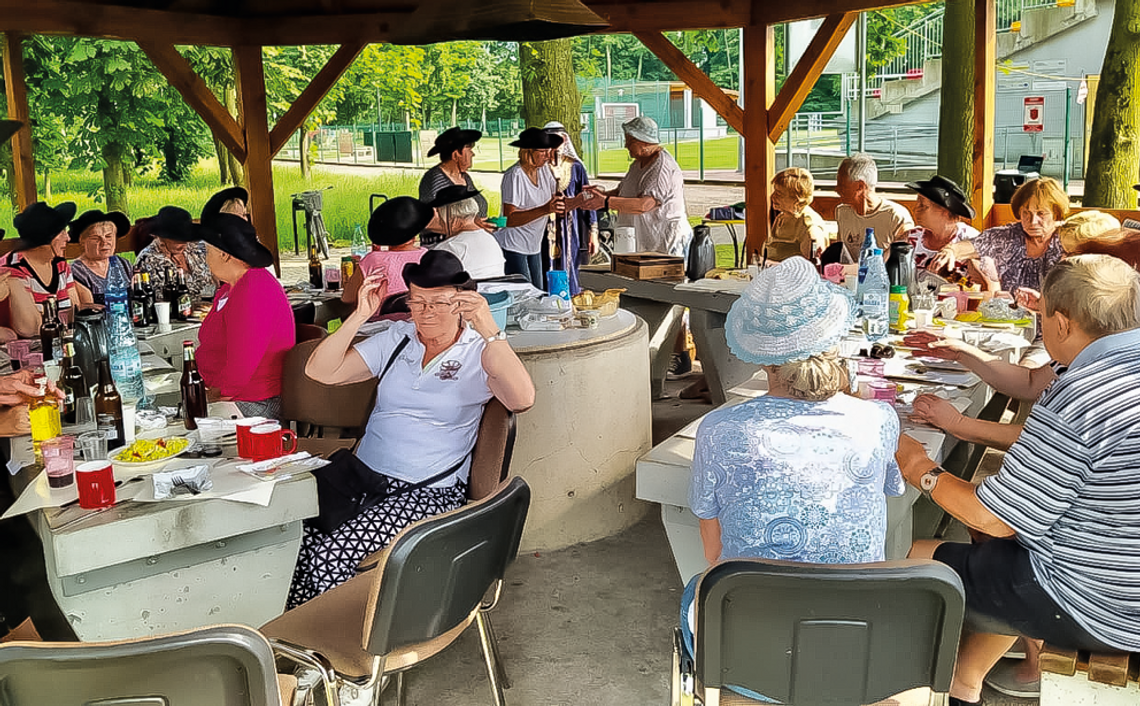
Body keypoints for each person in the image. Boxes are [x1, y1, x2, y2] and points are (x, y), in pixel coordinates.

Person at [897, 254, 1140, 706]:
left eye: (1041, 316)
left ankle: (895, 685)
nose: (1039, 327)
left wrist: (917, 466)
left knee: (903, 556)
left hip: (1104, 603)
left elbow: (994, 518)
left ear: (1063, 324)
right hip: (1120, 571)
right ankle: (963, 681)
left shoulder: (1085, 390)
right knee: (992, 550)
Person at [680, 257, 904, 699]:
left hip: (754, 646)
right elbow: (884, 505)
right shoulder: (879, 418)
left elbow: (715, 553)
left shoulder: (720, 430)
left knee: (699, 590)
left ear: (762, 359)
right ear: (834, 340)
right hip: (859, 641)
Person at [287, 250, 536, 606]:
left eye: (439, 302)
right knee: (296, 535)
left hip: (427, 492)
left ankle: (333, 647)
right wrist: (358, 316)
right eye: (417, 301)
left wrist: (490, 330)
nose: (426, 311)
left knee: (330, 556)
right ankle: (293, 636)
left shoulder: (478, 352)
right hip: (364, 479)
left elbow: (522, 398)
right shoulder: (398, 337)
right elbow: (321, 372)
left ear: (462, 303)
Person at [196, 214, 295, 419]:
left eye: (207, 251)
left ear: (224, 254)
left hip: (253, 401)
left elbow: (240, 366)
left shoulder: (253, 288)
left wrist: (209, 397)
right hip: (235, 395)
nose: (205, 259)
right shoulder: (231, 287)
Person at [930, 177, 1067, 295]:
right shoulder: (1009, 236)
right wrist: (951, 251)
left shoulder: (1068, 239)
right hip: (1012, 321)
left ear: (1056, 213)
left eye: (1041, 213)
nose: (1033, 221)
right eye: (1026, 213)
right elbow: (976, 245)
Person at [579, 116, 692, 257]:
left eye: (630, 141)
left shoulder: (662, 169)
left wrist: (605, 202)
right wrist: (602, 194)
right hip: (641, 244)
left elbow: (643, 205)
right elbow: (623, 193)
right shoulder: (638, 164)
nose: (626, 145)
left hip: (664, 246)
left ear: (644, 142)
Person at [495, 127, 566, 288]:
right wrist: (545, 210)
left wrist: (580, 201)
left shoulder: (545, 171)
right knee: (526, 295)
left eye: (550, 151)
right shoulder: (514, 176)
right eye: (543, 152)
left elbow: (555, 202)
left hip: (534, 244)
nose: (548, 156)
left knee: (538, 291)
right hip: (514, 245)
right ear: (529, 152)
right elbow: (509, 219)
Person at [342, 196, 429, 306]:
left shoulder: (373, 259)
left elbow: (347, 298)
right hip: (418, 320)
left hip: (379, 322)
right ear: (415, 234)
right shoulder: (427, 256)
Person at [542, 121, 597, 295]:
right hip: (543, 227)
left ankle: (569, 299)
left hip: (569, 228)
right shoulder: (539, 167)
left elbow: (589, 199)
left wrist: (593, 231)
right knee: (544, 264)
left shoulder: (576, 167)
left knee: (569, 263)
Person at [4, 201, 79, 324]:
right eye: (62, 232)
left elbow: (75, 310)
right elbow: (31, 326)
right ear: (46, 238)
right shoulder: (13, 269)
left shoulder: (61, 265)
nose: (68, 238)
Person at [418, 126, 492, 245]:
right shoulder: (434, 179)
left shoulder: (465, 178)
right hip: (444, 250)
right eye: (468, 148)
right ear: (456, 154)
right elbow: (427, 220)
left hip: (468, 245)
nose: (473, 154)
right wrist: (472, 226)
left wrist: (481, 225)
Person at [834, 153, 915, 261]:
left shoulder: (896, 217)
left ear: (860, 186)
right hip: (850, 276)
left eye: (842, 185)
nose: (837, 189)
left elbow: (905, 259)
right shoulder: (842, 212)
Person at [134, 206, 215, 301]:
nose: (183, 243)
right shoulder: (148, 259)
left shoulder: (195, 247)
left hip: (207, 308)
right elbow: (159, 299)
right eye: (177, 239)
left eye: (186, 238)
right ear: (160, 237)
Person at [429, 185, 505, 279]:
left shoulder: (450, 246)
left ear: (450, 218)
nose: (440, 222)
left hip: (468, 292)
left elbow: (433, 282)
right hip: (497, 291)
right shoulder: (490, 239)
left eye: (440, 217)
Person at [904, 174, 979, 268]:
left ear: (945, 211)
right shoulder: (910, 238)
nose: (916, 209)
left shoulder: (970, 237)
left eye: (923, 206)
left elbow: (986, 249)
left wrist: (953, 251)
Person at [68, 209, 132, 307]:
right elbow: (89, 310)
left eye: (108, 236)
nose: (104, 242)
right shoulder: (77, 271)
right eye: (95, 238)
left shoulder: (124, 264)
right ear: (82, 241)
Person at [766, 167, 827, 262]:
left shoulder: (810, 224)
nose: (772, 196)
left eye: (779, 194)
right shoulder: (781, 218)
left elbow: (814, 262)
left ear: (797, 199)